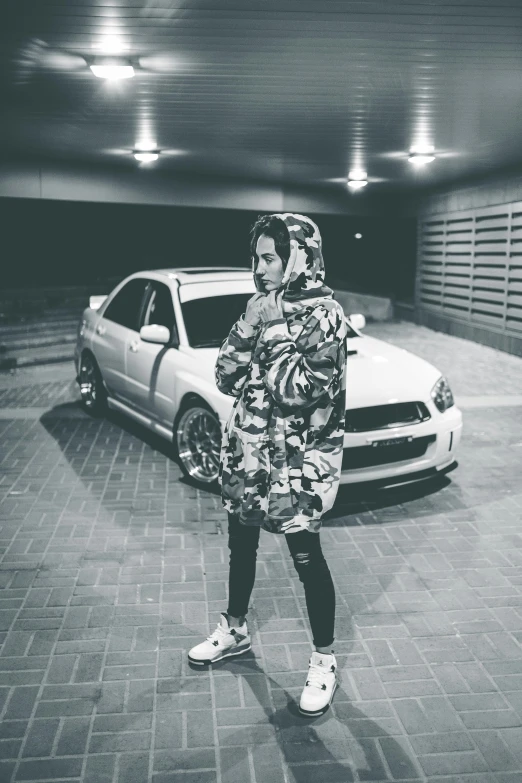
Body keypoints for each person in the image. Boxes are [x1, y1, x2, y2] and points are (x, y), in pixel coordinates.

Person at [188, 213, 347, 717]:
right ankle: (234, 630)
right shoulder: (258, 307)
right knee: (241, 544)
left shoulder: (325, 317)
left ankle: (324, 659)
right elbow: (224, 375)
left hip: (298, 468)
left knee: (306, 560)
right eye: (256, 258)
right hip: (250, 457)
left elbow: (296, 390)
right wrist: (253, 321)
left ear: (298, 257)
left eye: (269, 258)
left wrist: (271, 324)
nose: (259, 269)